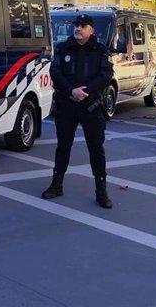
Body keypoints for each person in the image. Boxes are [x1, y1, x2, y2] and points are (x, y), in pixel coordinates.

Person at [42, 13, 114, 208]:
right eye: (76, 25)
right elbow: (55, 73)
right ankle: (56, 185)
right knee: (63, 146)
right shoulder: (63, 47)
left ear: (92, 30)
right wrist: (71, 90)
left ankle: (101, 191)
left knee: (96, 149)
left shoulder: (100, 50)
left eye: (83, 26)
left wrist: (86, 91)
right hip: (67, 104)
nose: (78, 28)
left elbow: (106, 74)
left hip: (91, 106)